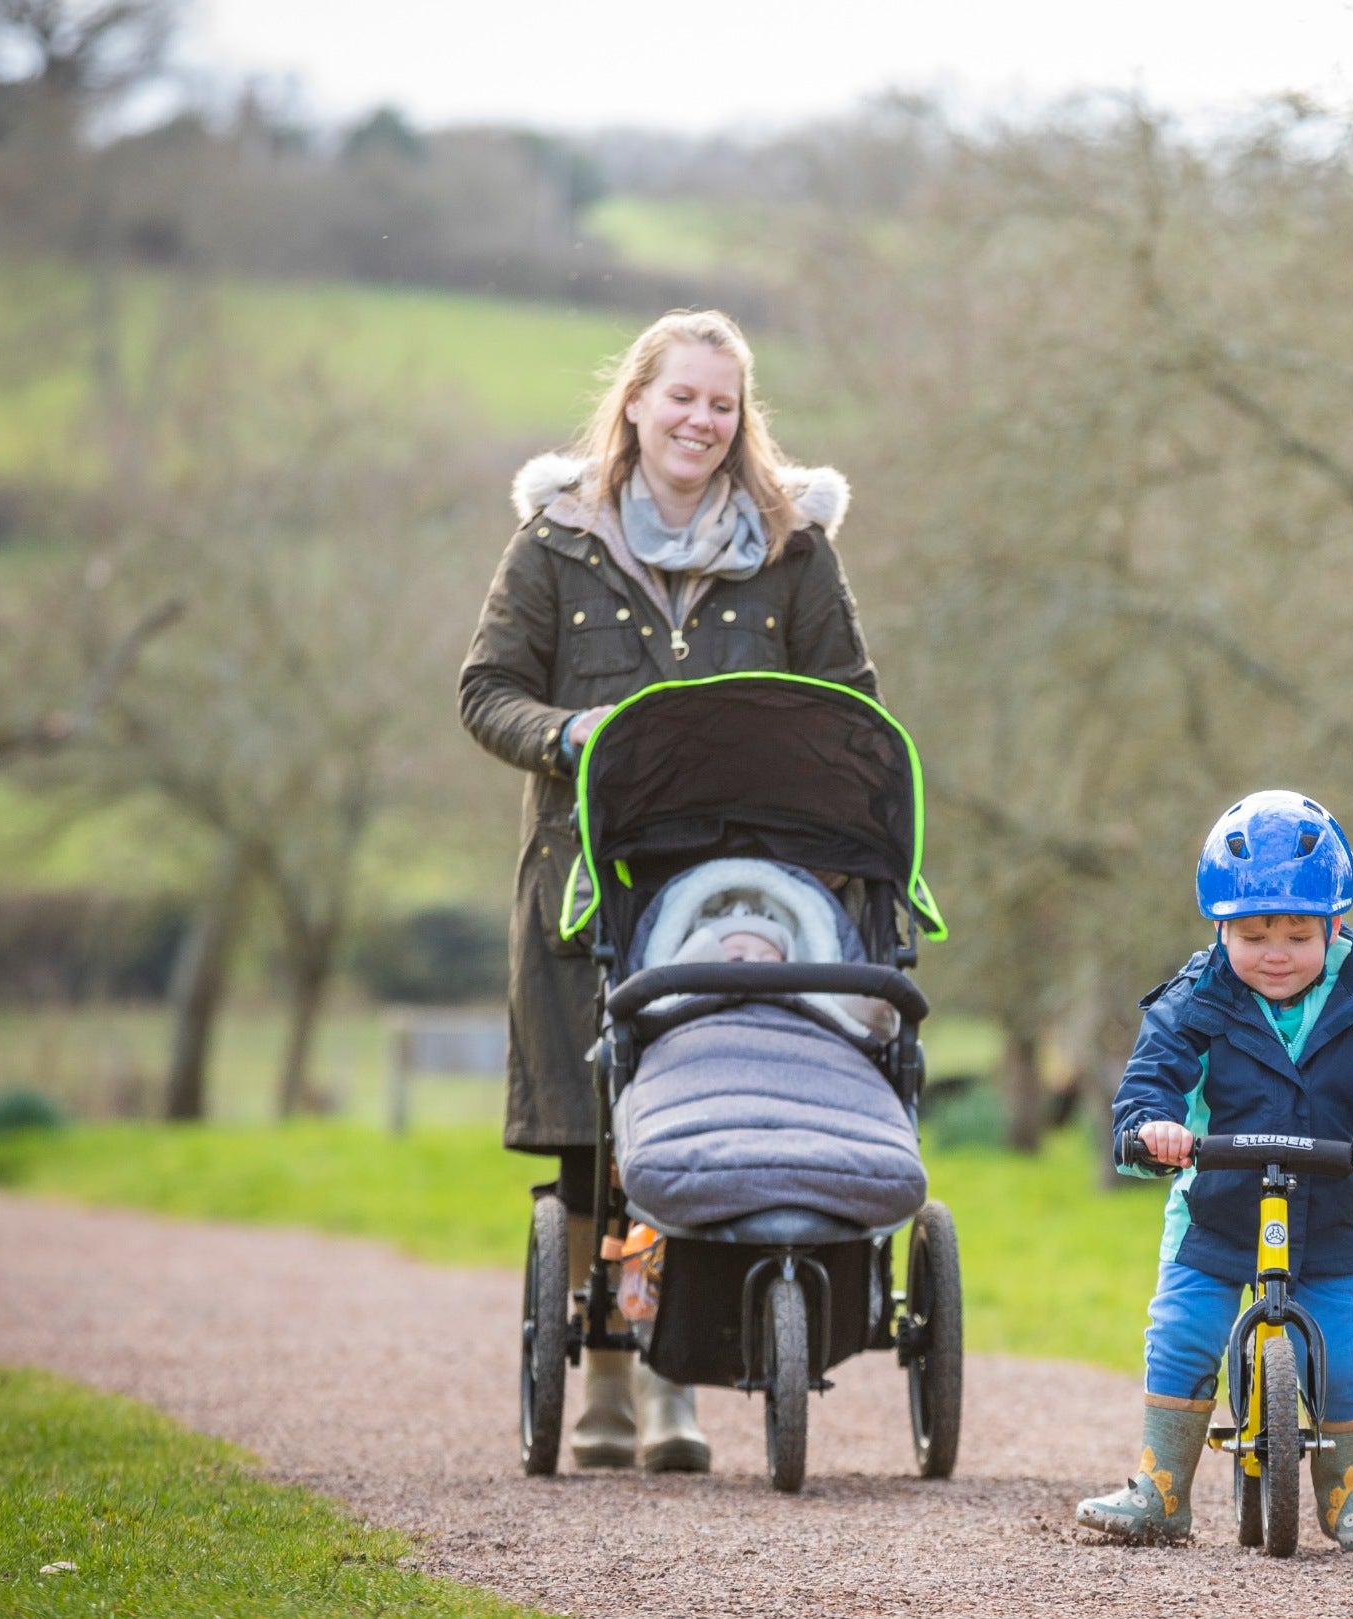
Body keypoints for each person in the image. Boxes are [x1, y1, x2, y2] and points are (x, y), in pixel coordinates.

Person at [459, 308, 878, 1473]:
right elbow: (487, 690)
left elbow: (851, 703)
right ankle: (603, 1382)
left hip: (743, 894)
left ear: (743, 420)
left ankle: (673, 1383)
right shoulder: (557, 542)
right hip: (593, 886)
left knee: (707, 1115)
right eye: (682, 396)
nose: (701, 419)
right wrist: (569, 733)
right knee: (598, 1142)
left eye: (723, 403)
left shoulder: (794, 548)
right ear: (634, 402)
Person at [1076, 791, 1353, 1550]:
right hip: (1217, 1206)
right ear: (1221, 929)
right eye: (1253, 933)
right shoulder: (1198, 996)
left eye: (1298, 934)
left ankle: (1348, 1492)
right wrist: (1154, 1126)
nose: (1275, 952)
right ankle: (1162, 1489)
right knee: (1181, 1333)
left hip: (1331, 1207)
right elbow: (1153, 1074)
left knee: (1338, 1354)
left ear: (1333, 927)